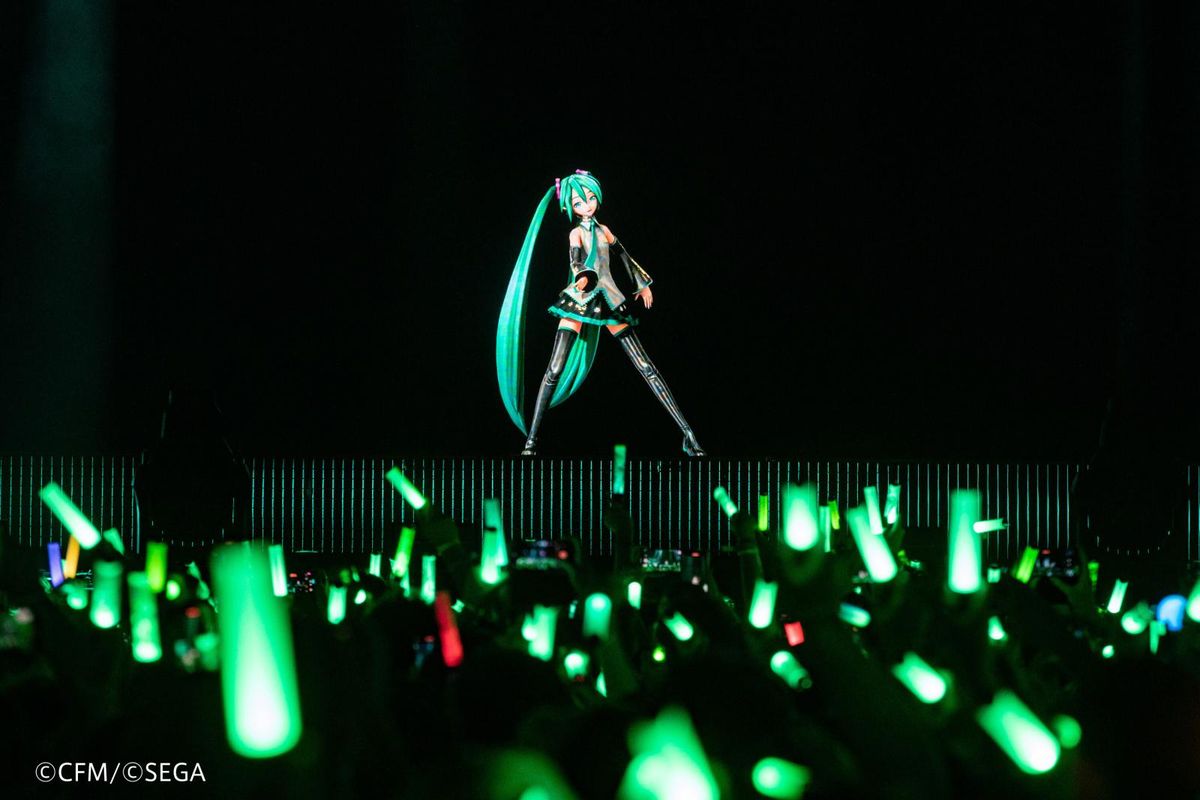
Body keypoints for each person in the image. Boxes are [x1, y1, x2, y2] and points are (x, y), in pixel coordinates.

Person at [497, 170, 706, 456]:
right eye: (579, 202)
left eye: (590, 198)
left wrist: (642, 284)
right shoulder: (575, 233)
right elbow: (575, 260)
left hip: (610, 299)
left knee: (646, 366)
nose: (586, 205)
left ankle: (688, 435)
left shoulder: (604, 230)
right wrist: (582, 276)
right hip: (582, 299)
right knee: (554, 369)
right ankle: (532, 440)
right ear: (570, 206)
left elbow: (624, 256)